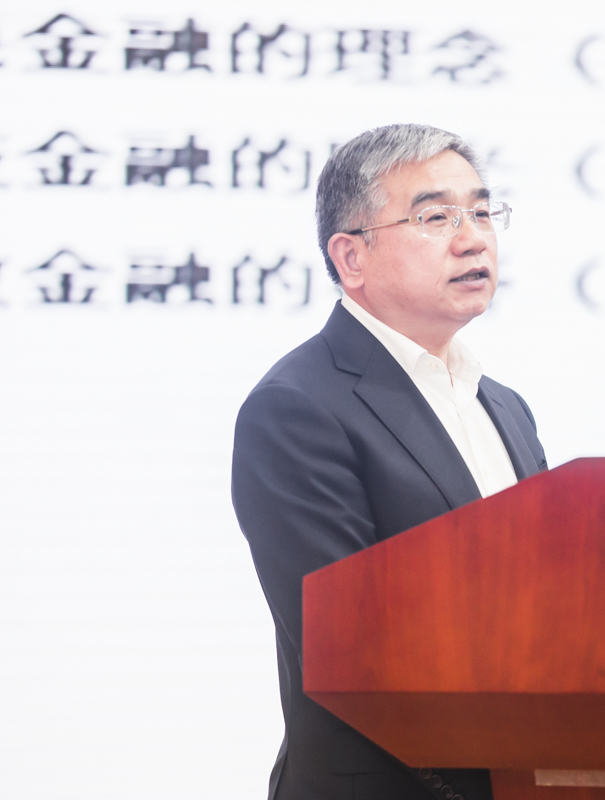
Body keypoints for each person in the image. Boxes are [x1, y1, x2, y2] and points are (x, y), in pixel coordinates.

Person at [232, 124, 547, 800]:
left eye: (482, 213)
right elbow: (349, 646)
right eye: (435, 217)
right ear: (351, 257)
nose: (473, 238)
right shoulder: (297, 408)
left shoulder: (506, 407)